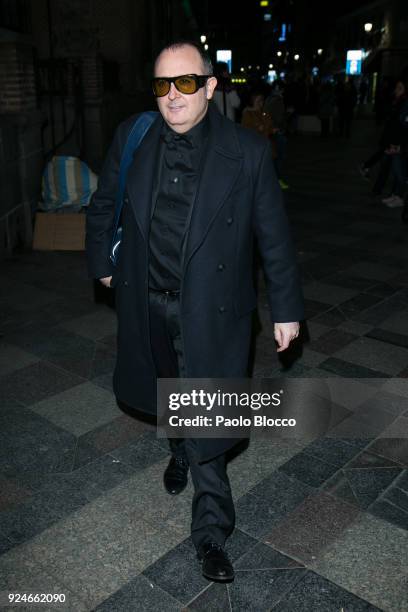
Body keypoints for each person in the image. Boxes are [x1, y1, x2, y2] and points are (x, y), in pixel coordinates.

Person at [86, 40, 304, 584]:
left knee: (207, 414)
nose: (173, 96)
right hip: (146, 302)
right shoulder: (133, 138)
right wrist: (102, 264)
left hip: (212, 308)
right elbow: (104, 202)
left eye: (185, 83)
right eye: (162, 85)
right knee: (168, 390)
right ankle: (180, 447)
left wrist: (286, 309)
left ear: (210, 86)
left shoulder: (247, 152)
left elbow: (273, 236)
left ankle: (211, 530)